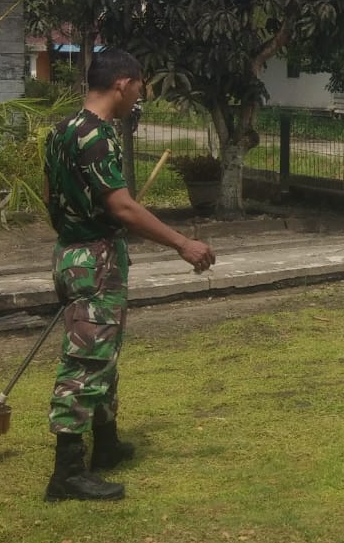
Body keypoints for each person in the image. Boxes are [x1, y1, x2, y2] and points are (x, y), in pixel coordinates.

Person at [42, 49, 216, 503]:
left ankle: (107, 444)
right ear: (122, 83)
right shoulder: (96, 136)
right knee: (85, 360)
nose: (141, 94)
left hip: (72, 253)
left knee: (103, 351)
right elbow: (122, 206)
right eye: (140, 86)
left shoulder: (62, 130)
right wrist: (183, 243)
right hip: (94, 258)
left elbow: (49, 194)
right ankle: (67, 472)